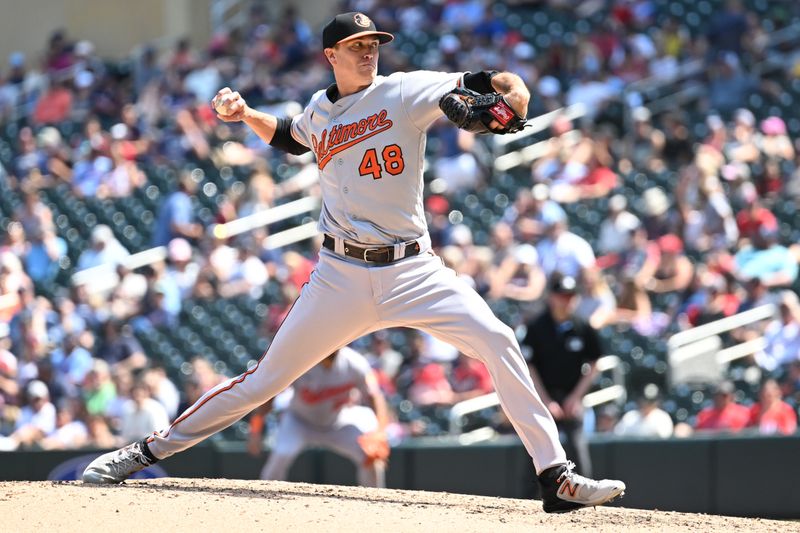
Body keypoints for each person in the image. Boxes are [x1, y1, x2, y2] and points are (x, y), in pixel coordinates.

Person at [82, 12, 625, 513]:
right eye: (356, 45)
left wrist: (503, 112)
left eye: (373, 44)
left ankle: (554, 475)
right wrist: (246, 113)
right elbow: (293, 139)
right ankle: (144, 453)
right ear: (330, 56)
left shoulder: (406, 90)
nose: (369, 53)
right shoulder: (319, 110)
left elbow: (509, 88)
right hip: (339, 275)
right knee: (263, 380)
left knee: (499, 339)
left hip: (413, 269)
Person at [247, 347, 389, 487]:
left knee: (371, 456)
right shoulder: (300, 362)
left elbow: (375, 397)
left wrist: (380, 432)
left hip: (336, 422)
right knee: (282, 454)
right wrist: (255, 430)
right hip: (299, 421)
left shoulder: (354, 363)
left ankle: (376, 502)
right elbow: (271, 396)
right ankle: (264, 499)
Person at [522, 273, 603, 477]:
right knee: (536, 454)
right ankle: (527, 504)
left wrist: (576, 398)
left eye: (571, 296)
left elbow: (594, 363)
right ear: (551, 297)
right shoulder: (536, 326)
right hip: (544, 398)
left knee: (578, 451)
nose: (566, 301)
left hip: (571, 399)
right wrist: (546, 400)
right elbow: (529, 367)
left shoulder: (582, 326)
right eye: (562, 295)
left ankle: (585, 501)